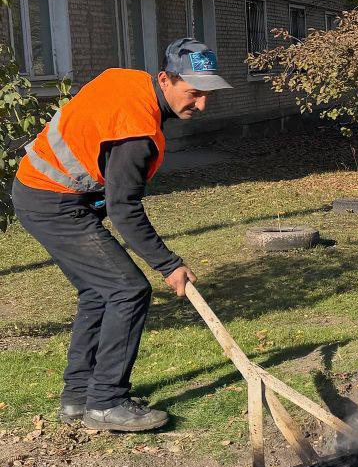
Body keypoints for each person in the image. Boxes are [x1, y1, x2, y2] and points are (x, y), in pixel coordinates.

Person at [12, 38, 232, 432]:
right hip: (52, 200)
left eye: (207, 95)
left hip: (48, 192)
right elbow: (124, 209)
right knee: (129, 290)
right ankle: (107, 401)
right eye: (194, 93)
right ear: (165, 79)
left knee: (100, 291)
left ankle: (79, 397)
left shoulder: (130, 81)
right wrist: (169, 265)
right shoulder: (136, 132)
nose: (201, 105)